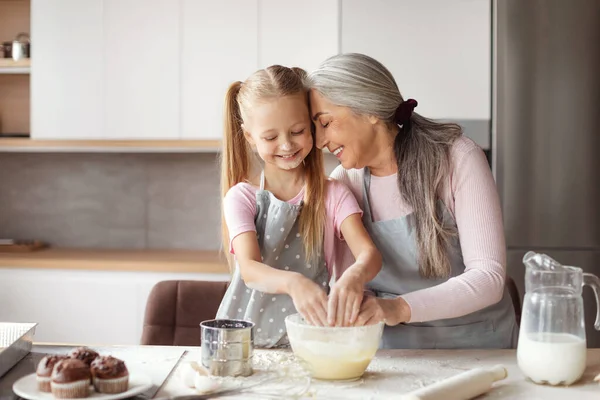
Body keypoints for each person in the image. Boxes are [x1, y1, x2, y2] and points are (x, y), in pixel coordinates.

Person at [306, 53, 518, 349]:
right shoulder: (345, 181)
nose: (319, 142)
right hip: (393, 354)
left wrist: (396, 309)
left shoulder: (457, 158)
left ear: (369, 110)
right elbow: (349, 284)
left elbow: (489, 277)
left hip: (478, 346)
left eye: (325, 123)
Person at [217, 65, 382, 348]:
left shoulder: (334, 194)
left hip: (310, 339)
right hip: (242, 343)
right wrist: (295, 283)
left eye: (297, 130)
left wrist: (355, 275)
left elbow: (369, 254)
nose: (286, 145)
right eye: (270, 137)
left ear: (312, 125)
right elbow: (249, 269)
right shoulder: (242, 197)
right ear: (249, 138)